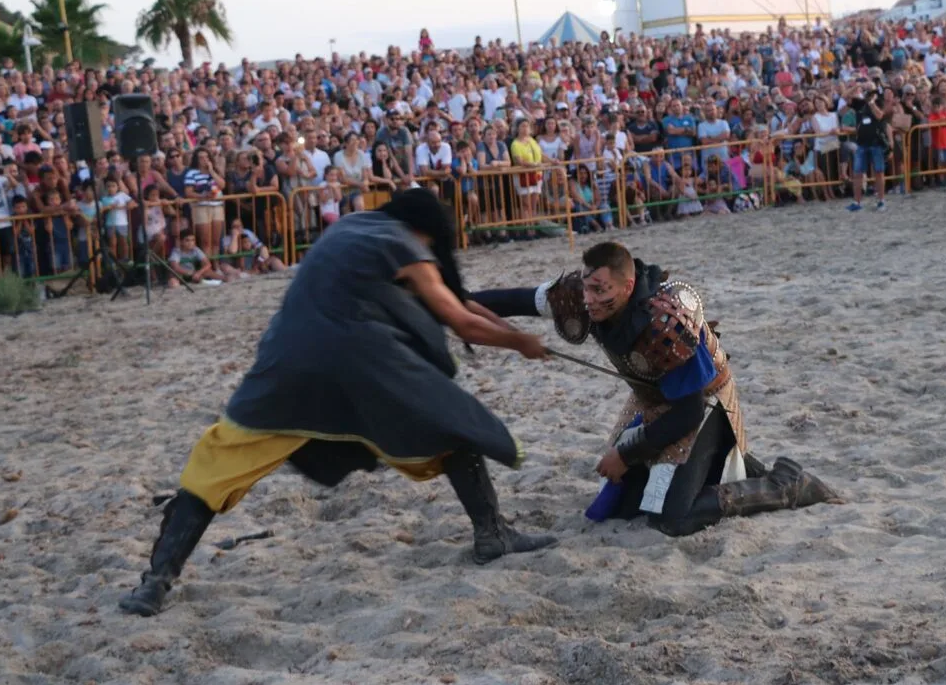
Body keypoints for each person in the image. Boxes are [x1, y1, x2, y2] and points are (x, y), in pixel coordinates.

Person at [119, 189, 555, 617]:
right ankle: (492, 533)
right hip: (361, 366)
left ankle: (155, 583)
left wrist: (510, 329)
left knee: (215, 467)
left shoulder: (348, 230)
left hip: (285, 366)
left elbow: (463, 306)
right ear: (426, 232)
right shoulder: (405, 245)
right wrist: (520, 343)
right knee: (452, 422)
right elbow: (460, 320)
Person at [470, 241, 841, 538]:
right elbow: (519, 300)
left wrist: (626, 455)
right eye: (587, 288)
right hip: (652, 399)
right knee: (626, 506)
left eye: (601, 290)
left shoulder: (664, 325)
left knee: (672, 519)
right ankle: (732, 466)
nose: (590, 300)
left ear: (627, 285)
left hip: (703, 405)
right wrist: (454, 301)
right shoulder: (584, 296)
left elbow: (689, 411)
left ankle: (785, 484)